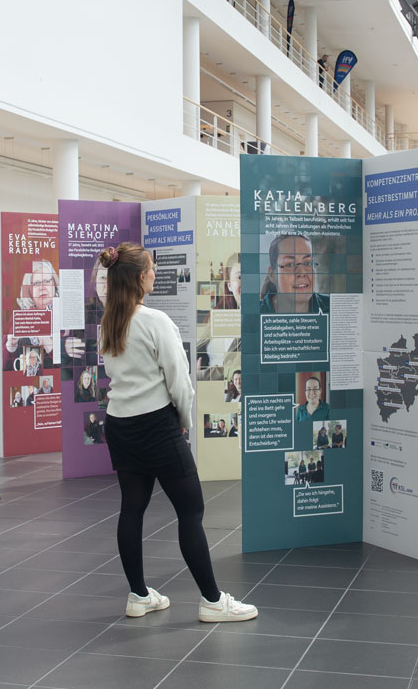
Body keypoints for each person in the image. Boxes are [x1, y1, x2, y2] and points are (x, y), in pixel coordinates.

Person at [98, 241, 256, 622]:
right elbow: (180, 384)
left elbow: (110, 375)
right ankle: (213, 602)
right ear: (139, 278)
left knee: (131, 509)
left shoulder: (110, 320)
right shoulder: (155, 322)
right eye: (151, 268)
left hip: (120, 425)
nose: (154, 273)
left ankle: (138, 595)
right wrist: (183, 423)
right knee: (192, 510)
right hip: (156, 426)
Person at [260, 234, 330, 313]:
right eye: (290, 264)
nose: (302, 272)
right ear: (272, 274)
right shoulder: (252, 316)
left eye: (307, 263)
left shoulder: (333, 308)